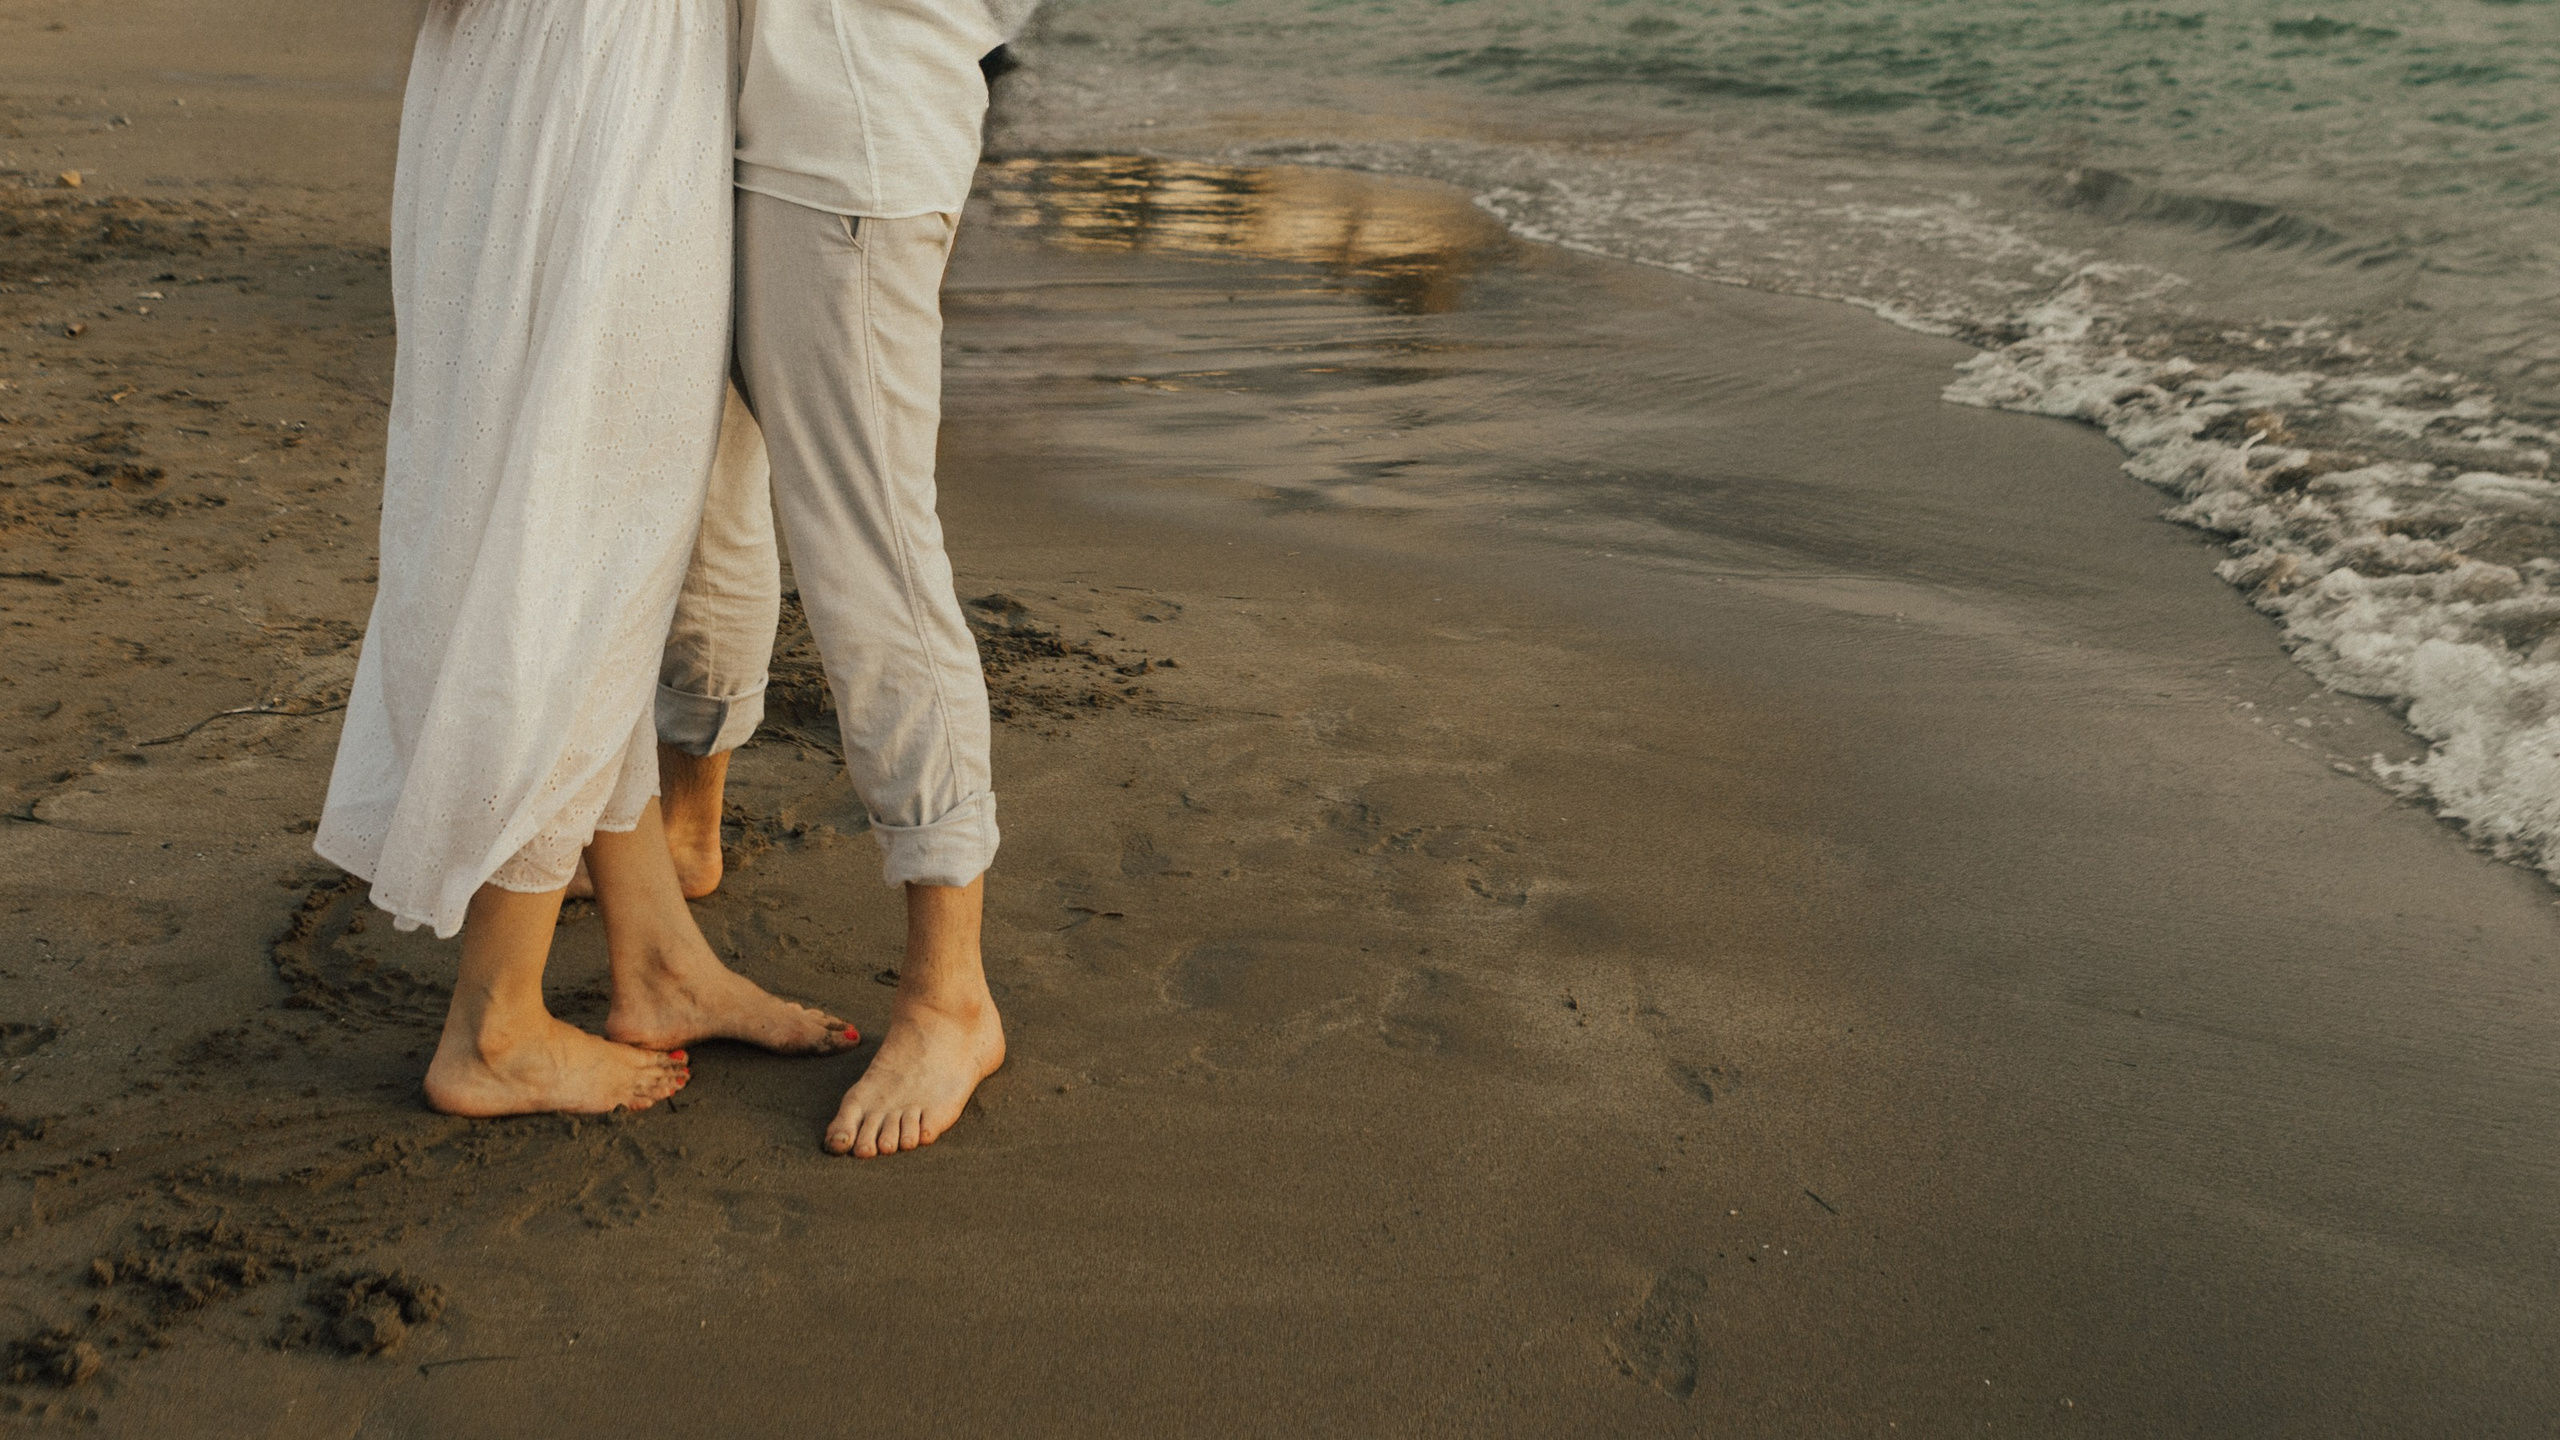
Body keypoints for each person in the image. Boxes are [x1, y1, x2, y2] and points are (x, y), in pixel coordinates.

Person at [315, 0, 857, 1118]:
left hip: (538, 75)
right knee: (582, 525)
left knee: (558, 505)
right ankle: (495, 1024)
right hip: (601, 86)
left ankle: (656, 955)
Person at [622, 0, 1036, 1157]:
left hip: (850, 125)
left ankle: (951, 994)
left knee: (871, 557)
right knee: (707, 495)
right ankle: (688, 825)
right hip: (723, 103)